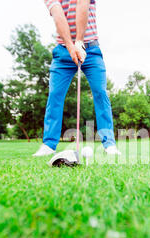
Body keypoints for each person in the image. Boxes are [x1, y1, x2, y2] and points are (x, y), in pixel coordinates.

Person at [33, 0, 121, 157]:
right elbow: (58, 15)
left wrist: (79, 41)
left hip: (91, 49)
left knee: (101, 93)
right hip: (62, 52)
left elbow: (82, 4)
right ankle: (49, 144)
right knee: (55, 95)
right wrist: (71, 45)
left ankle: (109, 144)